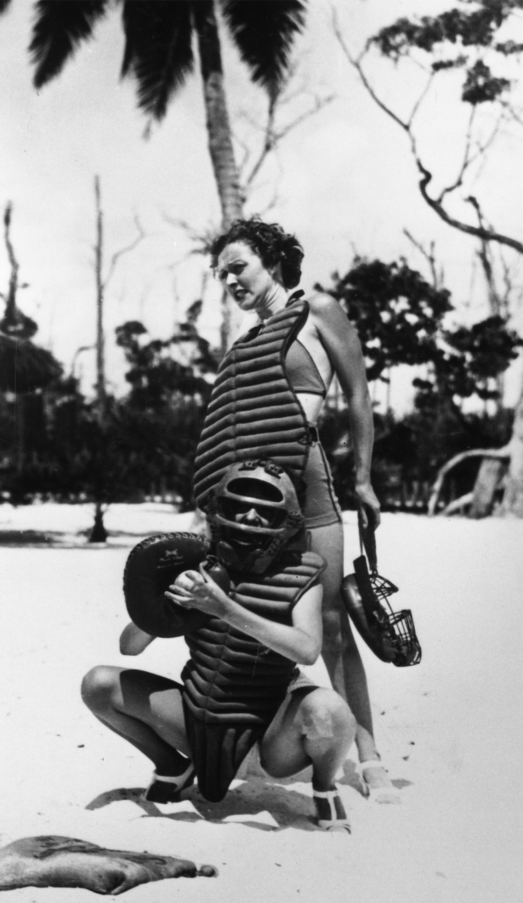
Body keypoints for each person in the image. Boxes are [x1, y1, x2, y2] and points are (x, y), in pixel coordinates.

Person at [200, 217, 397, 801]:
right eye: (220, 274)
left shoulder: (319, 311)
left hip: (307, 483)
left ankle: (370, 757)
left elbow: (359, 395)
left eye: (237, 267)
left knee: (332, 623)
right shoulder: (249, 342)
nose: (229, 281)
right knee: (249, 614)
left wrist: (363, 476)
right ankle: (262, 744)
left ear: (272, 260)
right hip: (248, 501)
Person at [83, 460, 357, 832]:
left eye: (265, 509)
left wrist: (223, 608)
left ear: (286, 520)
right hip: (200, 712)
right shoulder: (193, 563)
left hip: (274, 729)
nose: (250, 516)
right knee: (98, 684)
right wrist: (168, 603)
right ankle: (173, 765)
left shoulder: (302, 574)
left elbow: (307, 649)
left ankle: (323, 786)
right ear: (219, 510)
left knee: (331, 712)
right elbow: (129, 648)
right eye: (240, 505)